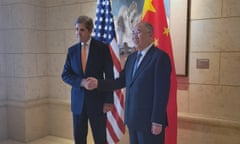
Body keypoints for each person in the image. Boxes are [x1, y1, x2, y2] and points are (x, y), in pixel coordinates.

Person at [86, 22, 171, 144]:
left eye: (139, 32)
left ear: (150, 35)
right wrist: (98, 83)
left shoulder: (159, 57)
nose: (134, 36)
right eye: (133, 33)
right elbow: (120, 82)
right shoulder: (131, 58)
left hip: (150, 123)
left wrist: (157, 121)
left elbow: (161, 93)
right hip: (133, 119)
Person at [61, 15, 114, 144]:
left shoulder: (102, 48)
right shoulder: (72, 51)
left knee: (100, 138)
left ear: (90, 31)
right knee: (79, 138)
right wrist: (81, 82)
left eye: (82, 29)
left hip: (98, 103)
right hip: (78, 103)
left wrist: (108, 100)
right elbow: (65, 74)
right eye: (76, 29)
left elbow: (109, 76)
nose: (78, 33)